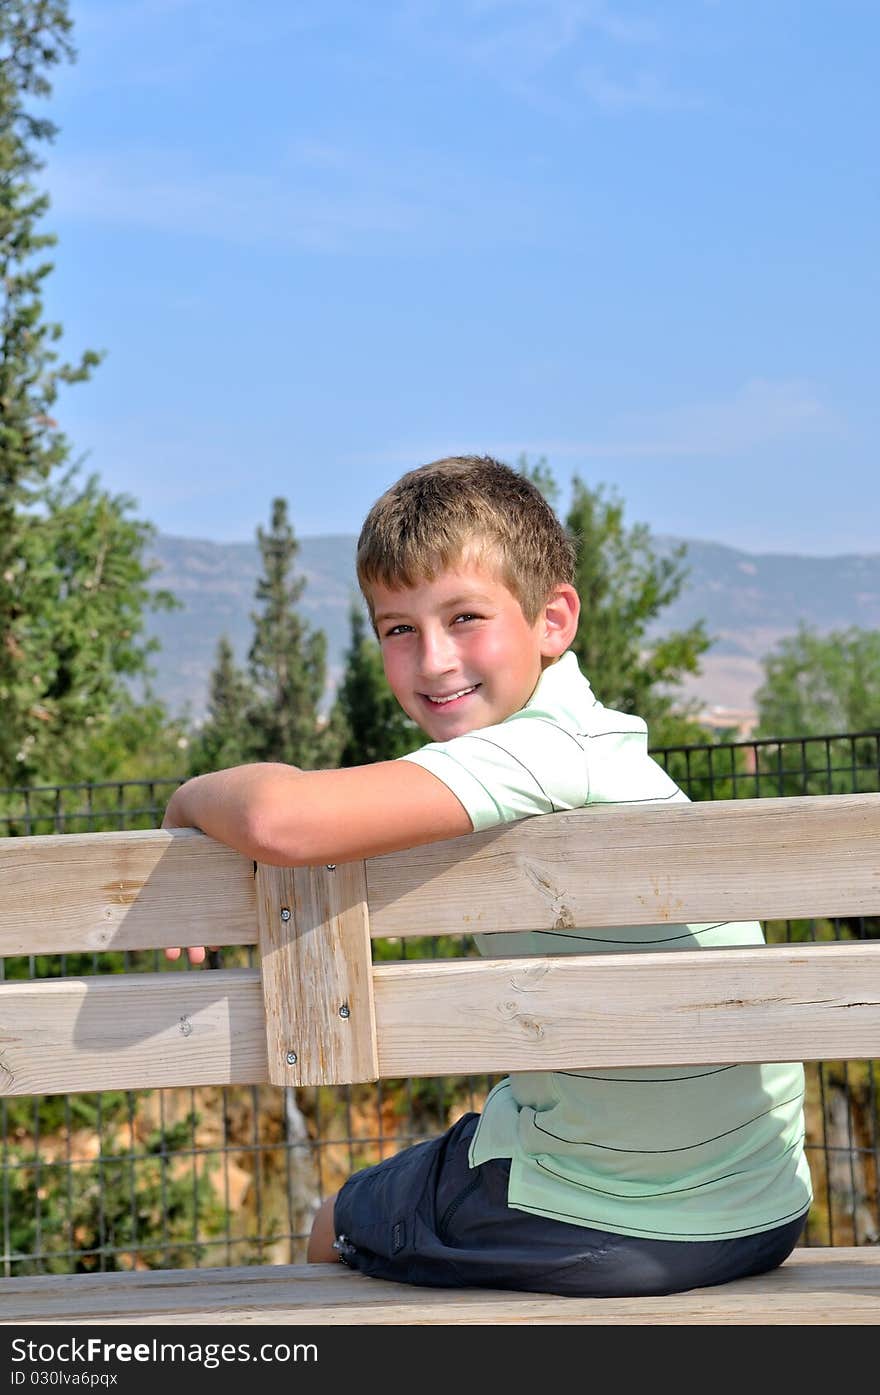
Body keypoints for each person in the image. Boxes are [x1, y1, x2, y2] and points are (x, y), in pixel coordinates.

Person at [162, 454, 812, 1298]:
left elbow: (280, 822)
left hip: (607, 1214)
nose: (433, 661)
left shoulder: (536, 755)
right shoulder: (594, 745)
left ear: (554, 619)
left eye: (464, 617)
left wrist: (185, 800)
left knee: (334, 1222)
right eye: (399, 628)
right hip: (761, 1204)